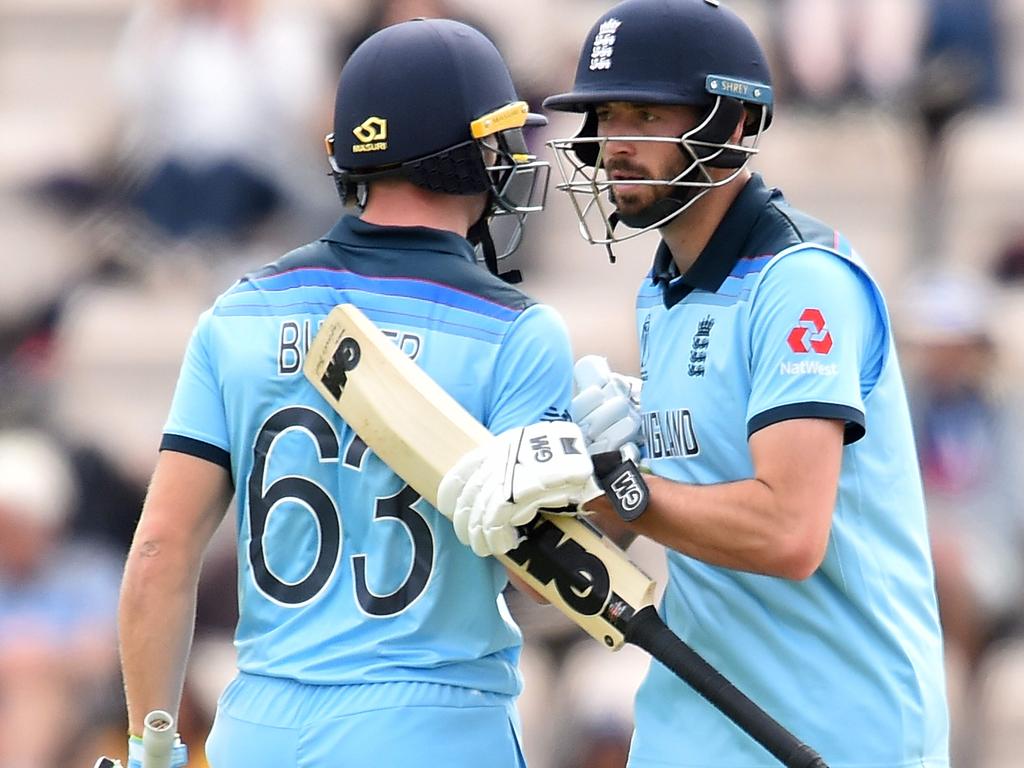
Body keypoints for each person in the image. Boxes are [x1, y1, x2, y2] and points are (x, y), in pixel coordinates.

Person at [438, 1, 951, 766]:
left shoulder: (800, 281)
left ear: (734, 125)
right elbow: (661, 506)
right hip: (699, 724)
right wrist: (549, 508)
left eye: (646, 114)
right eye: (607, 117)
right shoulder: (666, 290)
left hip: (840, 730)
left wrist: (615, 481)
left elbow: (789, 533)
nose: (616, 145)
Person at [117, 18, 568, 768]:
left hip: (258, 727)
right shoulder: (516, 331)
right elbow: (543, 581)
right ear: (466, 153)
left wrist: (148, 747)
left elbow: (161, 549)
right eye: (498, 141)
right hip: (433, 728)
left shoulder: (239, 312)